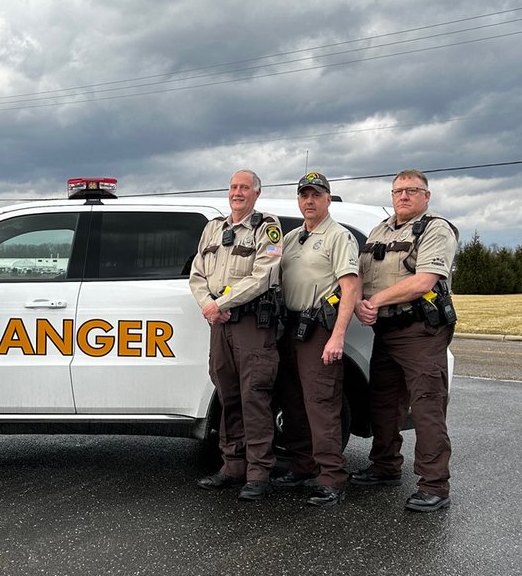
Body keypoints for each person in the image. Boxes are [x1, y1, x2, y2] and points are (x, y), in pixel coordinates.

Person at [353, 169, 458, 512]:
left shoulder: (435, 229)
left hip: (421, 332)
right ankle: (385, 467)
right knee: (383, 401)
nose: (403, 196)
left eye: (412, 190)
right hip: (386, 330)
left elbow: (423, 281)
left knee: (427, 406)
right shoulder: (379, 230)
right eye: (398, 191)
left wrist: (375, 302)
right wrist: (358, 304)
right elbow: (361, 275)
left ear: (426, 196)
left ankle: (434, 486)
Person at [188, 169, 284, 501]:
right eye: (233, 187)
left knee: (253, 395)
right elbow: (197, 273)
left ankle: (258, 473)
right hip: (220, 324)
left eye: (244, 187)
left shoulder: (266, 229)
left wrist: (223, 303)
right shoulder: (214, 228)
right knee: (227, 394)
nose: (237, 192)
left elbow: (264, 274)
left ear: (257, 193)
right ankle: (232, 466)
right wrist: (209, 305)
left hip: (252, 324)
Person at [273, 172, 361, 508]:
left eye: (316, 195)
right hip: (290, 328)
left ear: (327, 198)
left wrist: (337, 337)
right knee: (292, 401)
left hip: (318, 331)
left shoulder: (339, 237)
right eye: (304, 195)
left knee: (321, 405)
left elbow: (350, 287)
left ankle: (332, 479)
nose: (309, 201)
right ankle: (302, 466)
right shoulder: (293, 237)